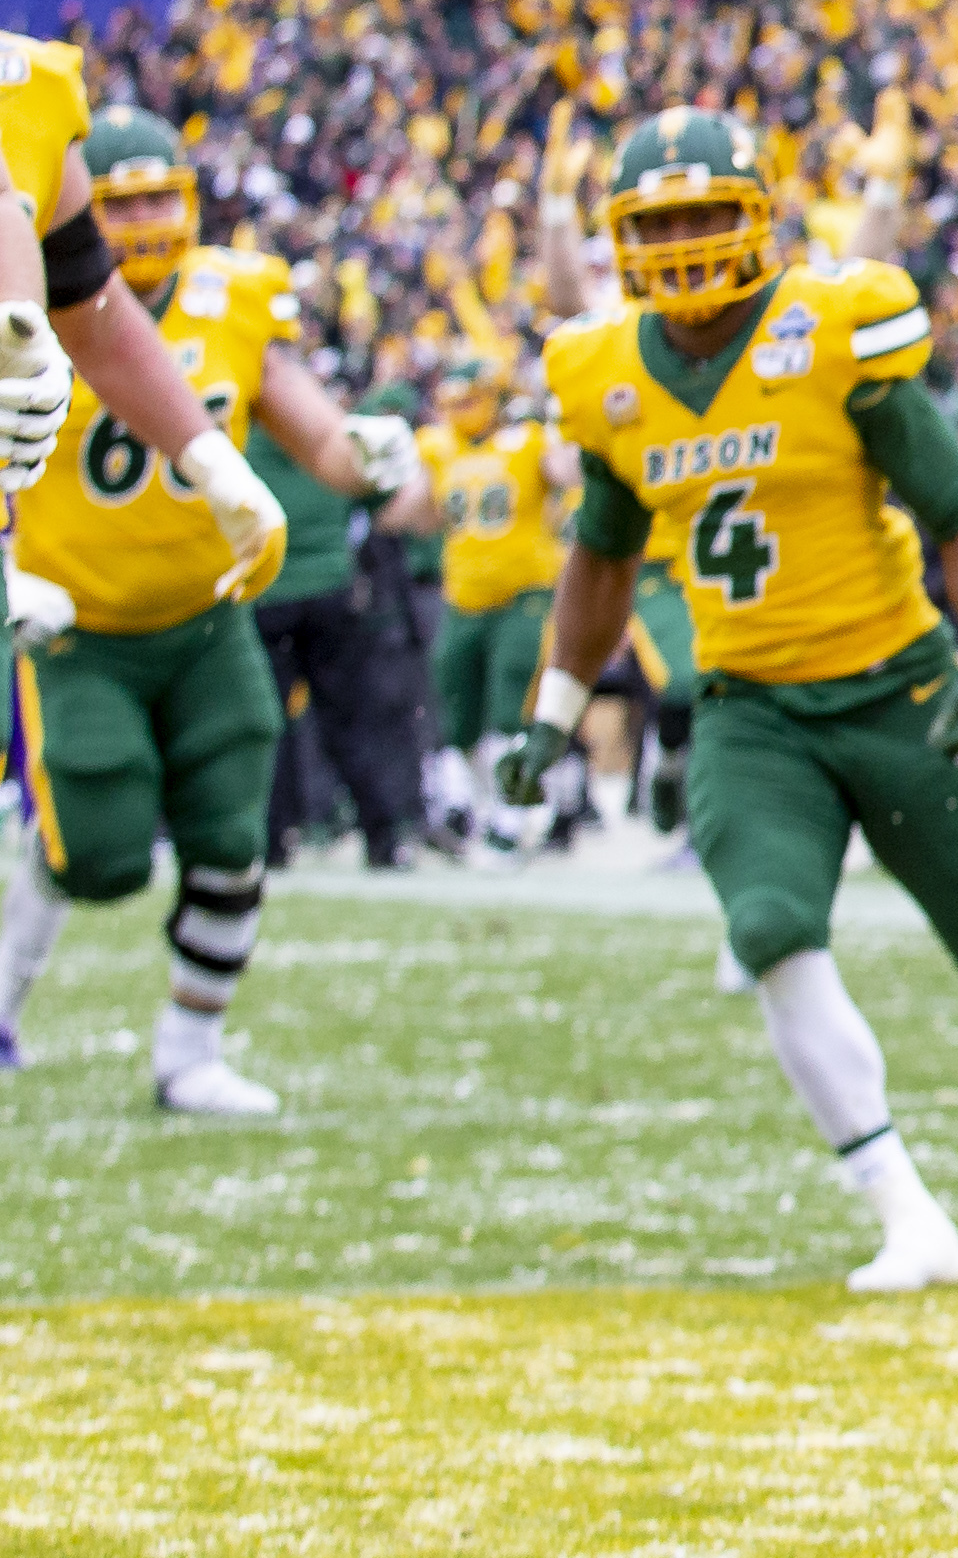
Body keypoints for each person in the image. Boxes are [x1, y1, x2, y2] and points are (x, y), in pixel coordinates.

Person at [499, 109, 958, 1288]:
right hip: (749, 709)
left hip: (900, 688)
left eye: (709, 212)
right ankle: (906, 1212)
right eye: (660, 223)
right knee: (766, 927)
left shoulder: (834, 329)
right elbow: (599, 559)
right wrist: (553, 714)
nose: (688, 240)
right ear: (621, 240)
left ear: (760, 213)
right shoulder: (605, 372)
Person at [0, 104, 408, 1107]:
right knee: (94, 853)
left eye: (158, 201)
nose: (139, 226)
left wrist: (363, 452)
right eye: (121, 202)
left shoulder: (234, 296)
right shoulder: (25, 294)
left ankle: (191, 1053)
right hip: (77, 624)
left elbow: (310, 432)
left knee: (233, 839)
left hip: (208, 619)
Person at [412, 359, 575, 854]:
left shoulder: (528, 440)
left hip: (524, 594)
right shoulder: (437, 448)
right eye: (453, 402)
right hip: (463, 598)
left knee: (512, 706)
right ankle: (482, 806)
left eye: (471, 399)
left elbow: (568, 473)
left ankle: (514, 817)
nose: (461, 412)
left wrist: (562, 427)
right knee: (456, 714)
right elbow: (416, 514)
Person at [251, 405, 418, 869]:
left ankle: (272, 843)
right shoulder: (333, 444)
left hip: (269, 597)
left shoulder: (244, 442)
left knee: (273, 728)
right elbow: (388, 505)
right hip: (332, 594)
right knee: (352, 724)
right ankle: (382, 837)